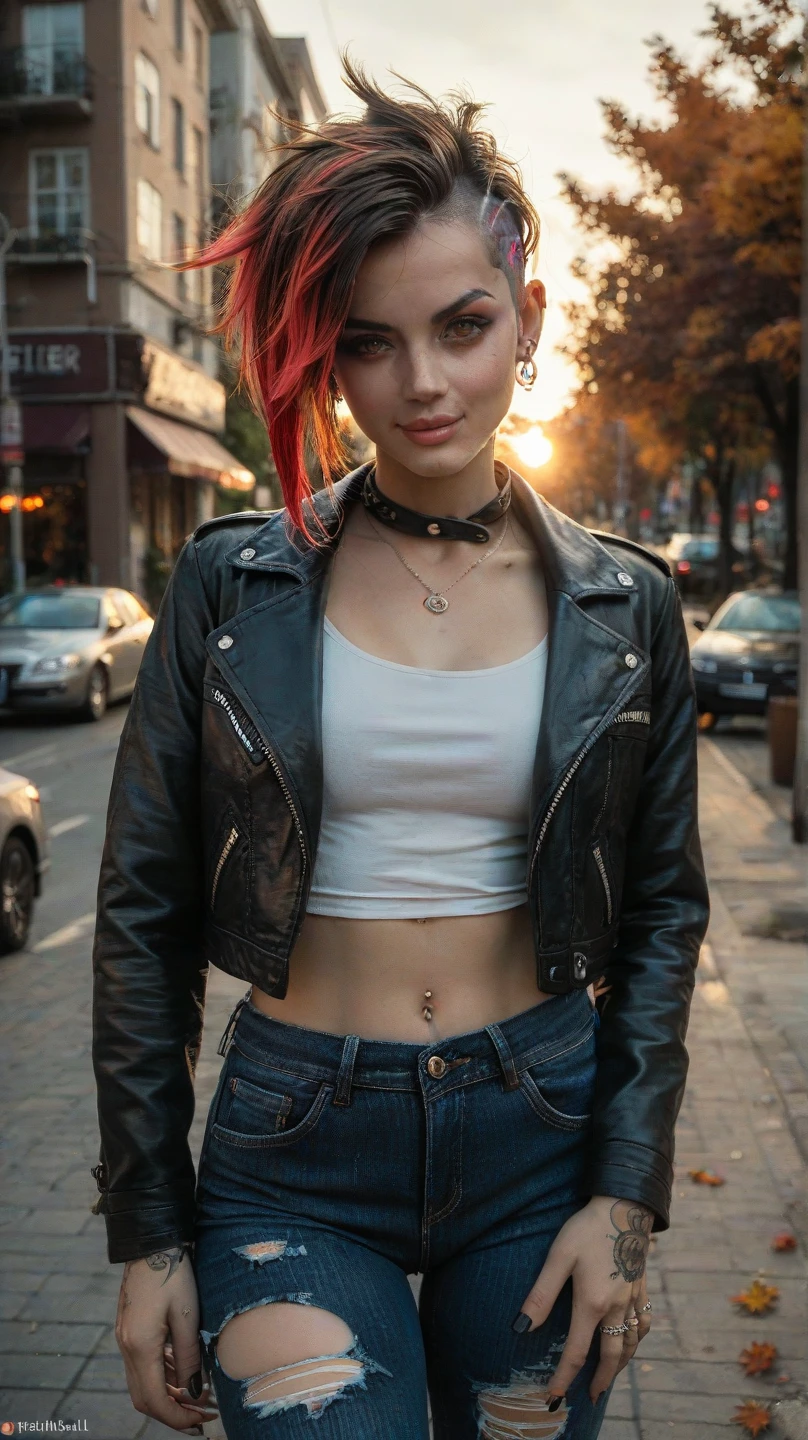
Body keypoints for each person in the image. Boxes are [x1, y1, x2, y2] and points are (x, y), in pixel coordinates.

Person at [90, 59, 709, 1440]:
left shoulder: (627, 603)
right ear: (325, 354)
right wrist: (148, 1230)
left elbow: (666, 914)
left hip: (542, 1132)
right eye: (369, 342)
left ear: (528, 318)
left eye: (464, 325)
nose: (422, 383)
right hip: (292, 1152)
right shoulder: (229, 589)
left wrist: (626, 1192)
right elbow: (139, 912)